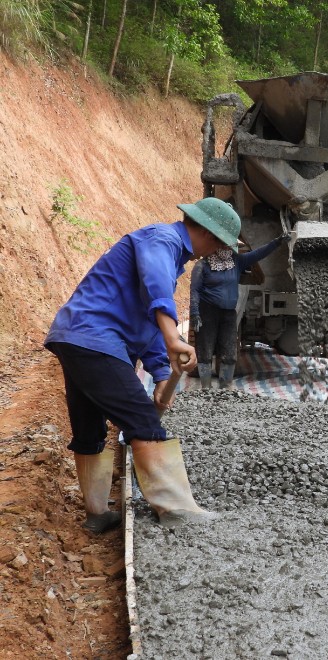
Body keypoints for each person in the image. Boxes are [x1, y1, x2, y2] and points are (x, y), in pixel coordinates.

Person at [44, 197, 241, 530]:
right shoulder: (161, 240)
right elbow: (156, 289)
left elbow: (145, 325)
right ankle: (177, 511)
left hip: (75, 336)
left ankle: (97, 515)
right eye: (220, 245)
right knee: (143, 421)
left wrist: (163, 375)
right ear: (210, 235)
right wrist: (174, 338)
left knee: (90, 429)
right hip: (95, 337)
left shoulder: (167, 252)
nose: (214, 252)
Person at [190, 232, 291, 389]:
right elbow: (194, 290)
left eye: (231, 246)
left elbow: (258, 254)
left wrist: (277, 242)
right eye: (226, 245)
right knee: (205, 349)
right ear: (217, 245)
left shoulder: (236, 262)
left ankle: (226, 386)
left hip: (228, 314)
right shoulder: (202, 266)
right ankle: (205, 387)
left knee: (229, 350)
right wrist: (195, 313)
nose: (229, 249)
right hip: (207, 313)